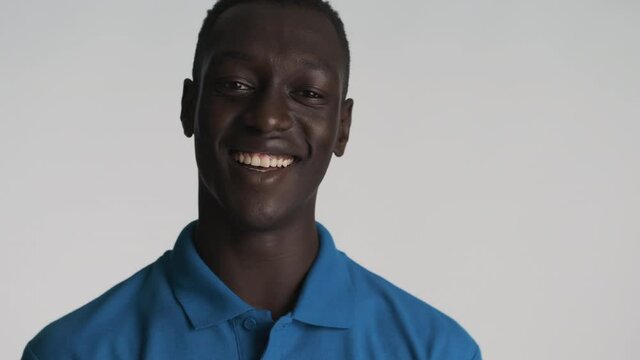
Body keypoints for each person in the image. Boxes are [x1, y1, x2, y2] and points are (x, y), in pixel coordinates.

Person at [22, 0, 481, 359]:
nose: (268, 118)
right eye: (235, 85)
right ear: (189, 106)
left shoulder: (436, 350)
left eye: (308, 93)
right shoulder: (73, 351)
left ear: (342, 126)